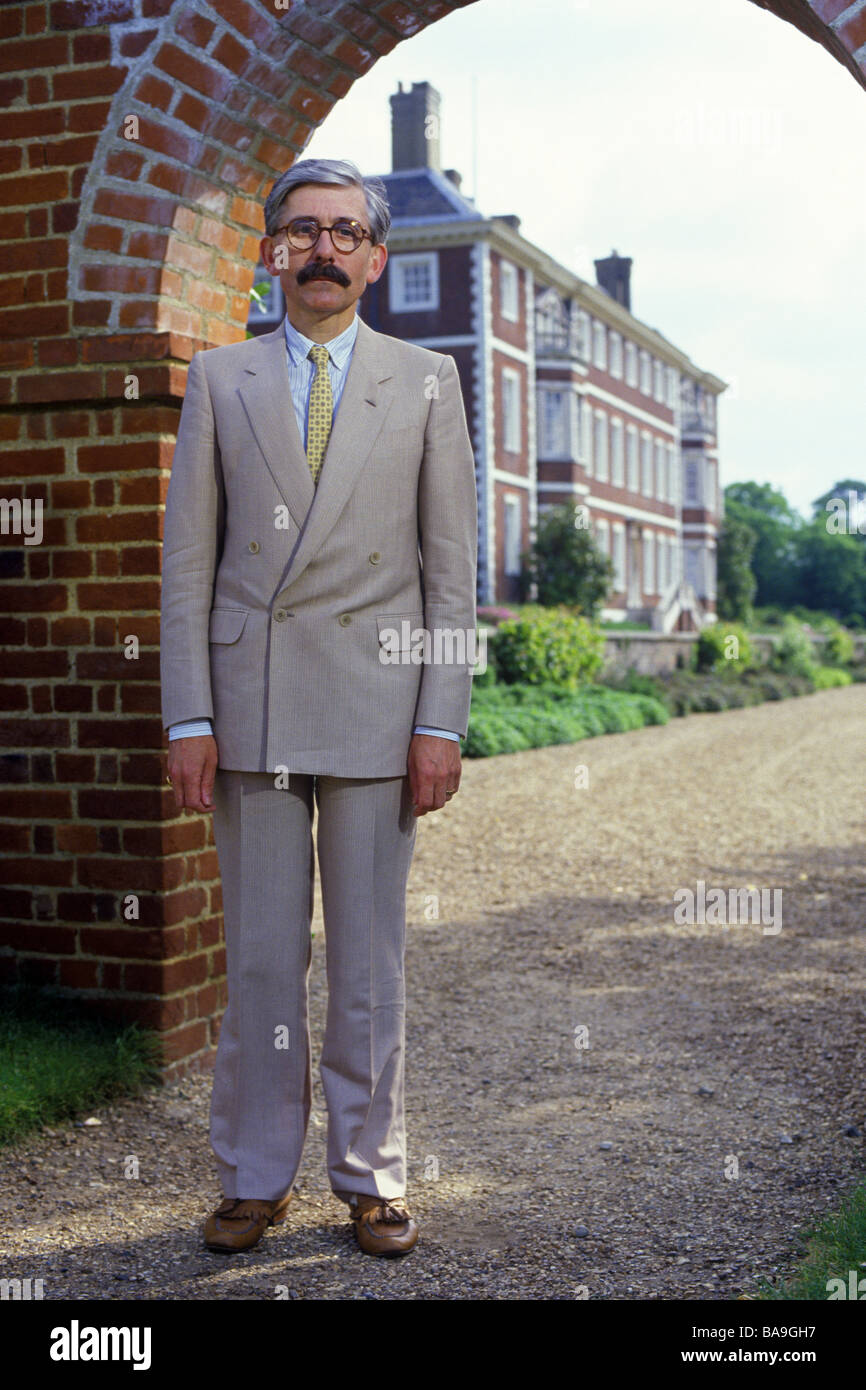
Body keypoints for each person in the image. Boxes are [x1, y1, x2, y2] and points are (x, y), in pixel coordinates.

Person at [160, 158, 478, 1258]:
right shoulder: (219, 377)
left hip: (378, 706)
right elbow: (186, 566)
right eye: (301, 232)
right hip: (246, 705)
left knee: (366, 958)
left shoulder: (429, 378)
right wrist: (186, 716)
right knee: (257, 960)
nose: (323, 251)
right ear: (270, 253)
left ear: (376, 258)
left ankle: (372, 1172)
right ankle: (253, 1174)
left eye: (344, 232)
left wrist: (441, 718)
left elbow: (450, 571)